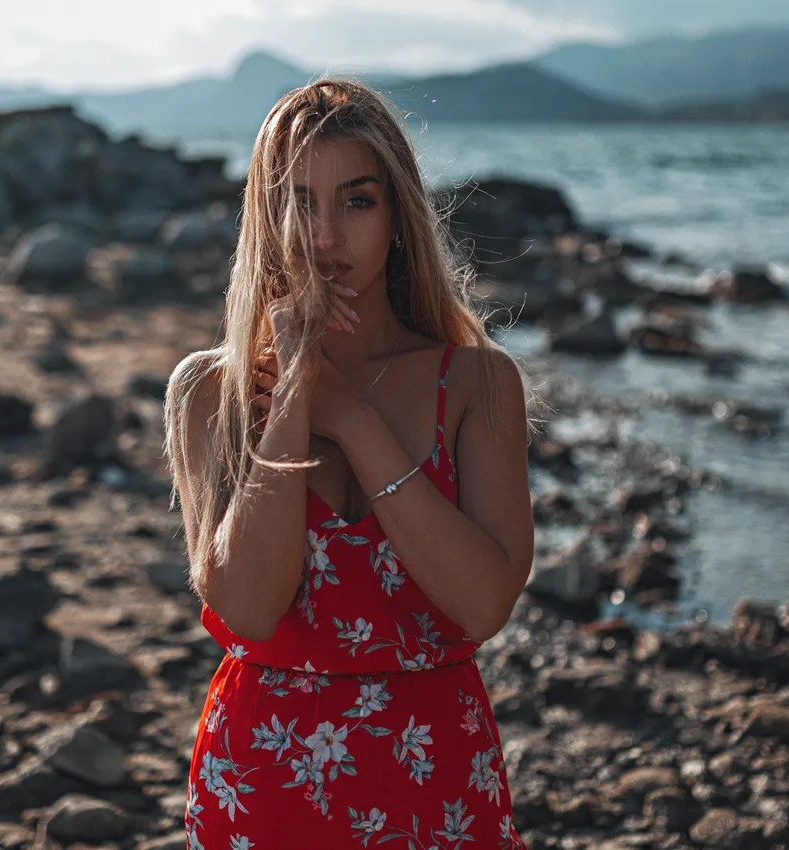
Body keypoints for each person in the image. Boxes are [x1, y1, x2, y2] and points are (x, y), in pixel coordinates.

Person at [163, 78, 535, 848]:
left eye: (356, 201)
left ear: (399, 217)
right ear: (265, 218)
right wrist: (295, 394)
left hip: (437, 783)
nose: (324, 235)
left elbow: (482, 605)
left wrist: (355, 421)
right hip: (262, 789)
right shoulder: (210, 392)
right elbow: (249, 608)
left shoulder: (476, 383)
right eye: (298, 201)